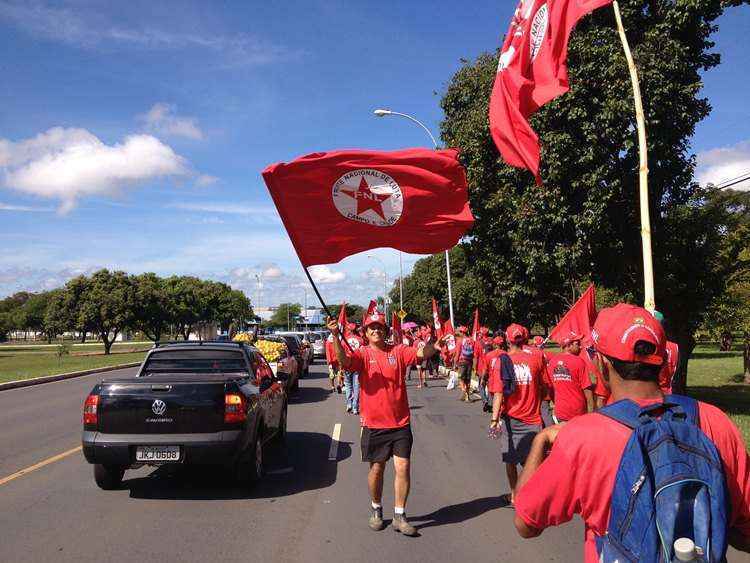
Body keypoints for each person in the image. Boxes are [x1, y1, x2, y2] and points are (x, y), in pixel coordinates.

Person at [513, 304, 750, 562]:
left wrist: (541, 440)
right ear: (661, 359)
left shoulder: (582, 438)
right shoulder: (716, 422)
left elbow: (526, 524)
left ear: (602, 363)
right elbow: (743, 531)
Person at [327, 310, 444, 536]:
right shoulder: (361, 354)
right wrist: (335, 337)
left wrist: (434, 347)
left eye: (379, 327)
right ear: (366, 332)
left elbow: (420, 353)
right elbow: (344, 361)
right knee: (377, 469)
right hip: (374, 424)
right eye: (371, 327)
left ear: (386, 330)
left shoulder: (398, 351)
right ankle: (376, 508)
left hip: (400, 423)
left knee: (403, 466)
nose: (376, 330)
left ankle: (400, 515)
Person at [488, 323, 545, 505]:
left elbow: (498, 393)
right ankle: (532, 495)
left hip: (511, 419)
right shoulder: (537, 358)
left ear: (507, 339)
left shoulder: (502, 361)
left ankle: (514, 495)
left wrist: (494, 419)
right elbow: (545, 386)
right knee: (532, 462)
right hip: (533, 418)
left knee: (510, 459)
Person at [546, 332, 594, 421]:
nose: (581, 347)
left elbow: (550, 388)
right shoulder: (579, 362)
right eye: (577, 344)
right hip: (577, 412)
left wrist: (557, 403)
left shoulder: (552, 362)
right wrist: (591, 413)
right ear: (568, 346)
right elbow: (587, 390)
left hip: (560, 411)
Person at [342, 323, 364, 414]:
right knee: (356, 387)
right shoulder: (361, 340)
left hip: (347, 366)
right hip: (357, 366)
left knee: (348, 386)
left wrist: (341, 366)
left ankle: (349, 404)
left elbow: (341, 355)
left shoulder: (344, 341)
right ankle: (355, 407)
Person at [454, 325, 477, 401]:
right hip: (469, 361)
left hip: (462, 361)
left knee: (461, 378)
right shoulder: (472, 341)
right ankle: (467, 396)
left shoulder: (459, 341)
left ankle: (463, 390)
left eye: (460, 331)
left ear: (462, 333)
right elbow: (474, 353)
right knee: (468, 379)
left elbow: (457, 353)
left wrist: (455, 363)